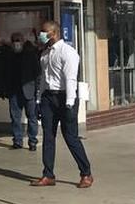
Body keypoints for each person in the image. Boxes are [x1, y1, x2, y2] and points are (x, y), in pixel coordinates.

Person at [31, 20, 94, 189]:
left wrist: (69, 103)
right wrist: (39, 100)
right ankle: (48, 174)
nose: (41, 35)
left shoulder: (68, 52)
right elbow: (43, 80)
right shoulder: (45, 54)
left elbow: (71, 79)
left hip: (65, 97)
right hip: (48, 98)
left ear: (54, 33)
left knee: (70, 137)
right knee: (48, 136)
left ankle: (86, 173)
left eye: (44, 32)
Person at [0, 32, 41, 152]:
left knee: (32, 117)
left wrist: (37, 90)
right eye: (14, 40)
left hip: (29, 91)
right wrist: (3, 89)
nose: (16, 43)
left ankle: (32, 141)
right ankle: (17, 140)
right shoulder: (7, 55)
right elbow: (3, 73)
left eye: (18, 40)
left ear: (23, 41)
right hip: (14, 92)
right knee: (15, 118)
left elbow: (37, 74)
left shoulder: (30, 54)